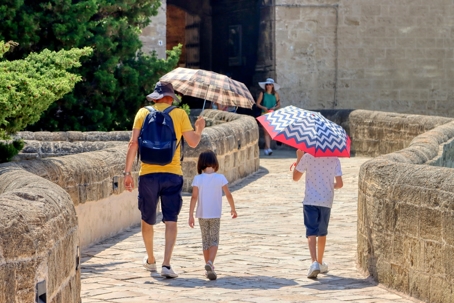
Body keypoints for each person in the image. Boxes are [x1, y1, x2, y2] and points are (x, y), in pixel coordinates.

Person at [123, 81, 205, 278]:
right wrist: (199, 128)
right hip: (172, 173)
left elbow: (133, 144)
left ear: (155, 97)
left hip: (147, 174)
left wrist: (127, 174)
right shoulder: (179, 114)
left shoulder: (142, 113)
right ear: (170, 97)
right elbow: (193, 143)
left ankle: (151, 259)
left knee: (147, 218)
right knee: (171, 219)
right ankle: (166, 264)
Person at [292, 149, 343, 279]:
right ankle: (320, 262)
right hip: (326, 200)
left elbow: (295, 178)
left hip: (310, 200)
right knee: (322, 232)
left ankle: (314, 262)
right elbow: (340, 184)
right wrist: (329, 185)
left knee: (311, 231)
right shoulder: (334, 159)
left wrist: (299, 157)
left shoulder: (307, 157)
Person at [188, 150, 238, 280]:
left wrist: (190, 215)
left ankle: (207, 266)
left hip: (202, 214)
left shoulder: (197, 179)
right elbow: (228, 194)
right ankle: (210, 263)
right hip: (215, 214)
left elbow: (194, 197)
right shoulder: (220, 178)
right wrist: (233, 209)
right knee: (214, 239)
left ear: (201, 164)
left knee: (205, 240)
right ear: (215, 162)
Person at [256, 78, 281, 156]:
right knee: (266, 132)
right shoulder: (262, 93)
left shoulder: (276, 94)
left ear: (272, 86)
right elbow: (257, 104)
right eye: (267, 84)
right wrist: (263, 107)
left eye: (270, 84)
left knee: (271, 132)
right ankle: (269, 148)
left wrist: (274, 108)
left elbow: (279, 104)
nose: (268, 86)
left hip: (273, 114)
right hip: (264, 114)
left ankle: (266, 148)